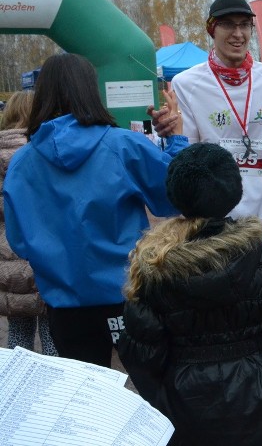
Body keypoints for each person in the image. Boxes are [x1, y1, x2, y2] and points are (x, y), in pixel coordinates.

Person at [118, 143, 262, 446]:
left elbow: (142, 356)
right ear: (233, 191)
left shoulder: (154, 268)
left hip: (186, 414)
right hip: (261, 407)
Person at [3, 53, 187, 367]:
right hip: (125, 296)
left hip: (65, 305)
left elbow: (20, 241)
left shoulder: (22, 163)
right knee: (150, 387)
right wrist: (177, 139)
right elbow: (175, 198)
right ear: (91, 89)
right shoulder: (124, 146)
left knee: (86, 397)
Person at [160, 0, 262, 249]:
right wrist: (169, 132)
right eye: (228, 25)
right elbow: (190, 157)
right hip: (213, 224)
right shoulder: (187, 83)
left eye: (244, 25)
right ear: (212, 29)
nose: (238, 33)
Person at [0, 91, 57, 356]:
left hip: (5, 263)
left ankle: (16, 393)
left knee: (18, 333)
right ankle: (56, 394)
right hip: (43, 259)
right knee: (51, 334)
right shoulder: (45, 151)